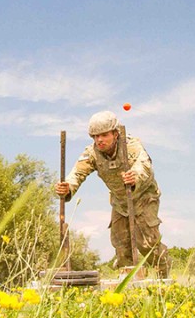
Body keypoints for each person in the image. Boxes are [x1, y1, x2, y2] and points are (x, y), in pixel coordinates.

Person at [53, 110, 170, 277]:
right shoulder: (91, 153)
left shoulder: (131, 145)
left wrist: (134, 176)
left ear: (115, 133)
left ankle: (164, 277)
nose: (99, 140)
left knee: (147, 244)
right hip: (120, 203)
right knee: (121, 247)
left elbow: (145, 166)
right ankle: (128, 286)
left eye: (104, 135)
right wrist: (67, 187)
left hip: (144, 197)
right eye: (95, 136)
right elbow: (77, 173)